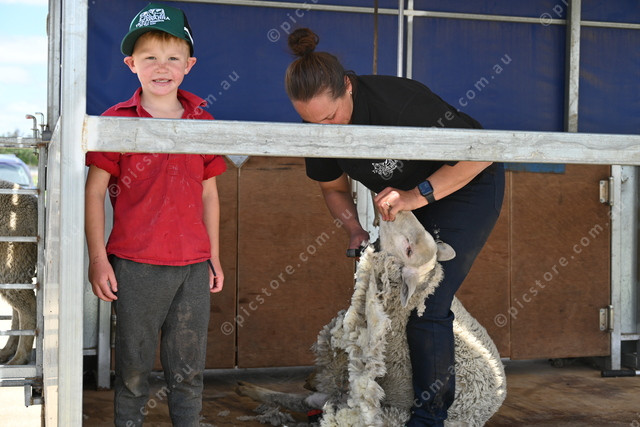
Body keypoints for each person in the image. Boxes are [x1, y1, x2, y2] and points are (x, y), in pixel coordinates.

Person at [284, 28, 504, 426]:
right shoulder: (320, 127)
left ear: (347, 87)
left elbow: (482, 153)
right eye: (313, 123)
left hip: (465, 185)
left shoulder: (399, 102)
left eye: (331, 117)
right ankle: (386, 398)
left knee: (428, 301)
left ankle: (429, 418)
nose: (327, 130)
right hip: (408, 199)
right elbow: (333, 188)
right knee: (393, 299)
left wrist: (416, 196)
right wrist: (353, 228)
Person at [84, 3, 225, 426]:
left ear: (189, 65)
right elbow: (94, 192)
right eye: (149, 58)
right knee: (133, 370)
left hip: (192, 266)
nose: (162, 67)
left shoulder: (203, 120)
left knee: (189, 369)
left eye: (173, 58)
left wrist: (214, 256)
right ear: (131, 64)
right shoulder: (116, 121)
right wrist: (98, 259)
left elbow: (209, 195)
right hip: (135, 264)